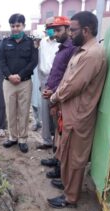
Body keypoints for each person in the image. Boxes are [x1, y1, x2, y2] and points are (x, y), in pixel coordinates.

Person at [47, 11, 107, 208]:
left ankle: (70, 197)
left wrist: (55, 97)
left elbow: (73, 86)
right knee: (65, 152)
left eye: (73, 30)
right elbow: (68, 79)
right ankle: (67, 185)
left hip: (79, 116)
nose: (70, 34)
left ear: (86, 30)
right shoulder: (82, 50)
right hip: (71, 112)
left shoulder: (92, 54)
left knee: (75, 157)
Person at [40, 16, 77, 180]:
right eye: (54, 30)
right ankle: (56, 160)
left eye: (58, 30)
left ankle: (60, 168)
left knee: (62, 133)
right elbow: (56, 72)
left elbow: (68, 78)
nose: (55, 33)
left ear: (68, 30)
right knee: (57, 132)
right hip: (53, 94)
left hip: (61, 97)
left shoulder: (72, 49)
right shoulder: (62, 47)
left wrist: (53, 91)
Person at [0, 13, 38, 153]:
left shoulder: (31, 42)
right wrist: (10, 76)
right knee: (10, 111)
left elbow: (33, 61)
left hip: (25, 83)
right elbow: (1, 62)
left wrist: (20, 76)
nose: (15, 28)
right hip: (8, 83)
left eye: (18, 25)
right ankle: (12, 137)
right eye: (12, 26)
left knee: (23, 112)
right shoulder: (5, 42)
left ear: (23, 26)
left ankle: (22, 139)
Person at [36, 17, 60, 149]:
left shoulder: (61, 44)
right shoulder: (43, 43)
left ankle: (57, 142)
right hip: (45, 80)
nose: (50, 30)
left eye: (52, 27)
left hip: (57, 81)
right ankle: (46, 141)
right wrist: (41, 81)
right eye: (48, 27)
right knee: (44, 112)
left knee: (56, 112)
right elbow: (40, 63)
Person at [31, 37, 42, 132]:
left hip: (41, 78)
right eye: (34, 42)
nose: (36, 43)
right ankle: (36, 122)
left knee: (42, 102)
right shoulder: (32, 52)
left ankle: (42, 122)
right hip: (33, 78)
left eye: (37, 41)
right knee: (34, 102)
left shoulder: (43, 51)